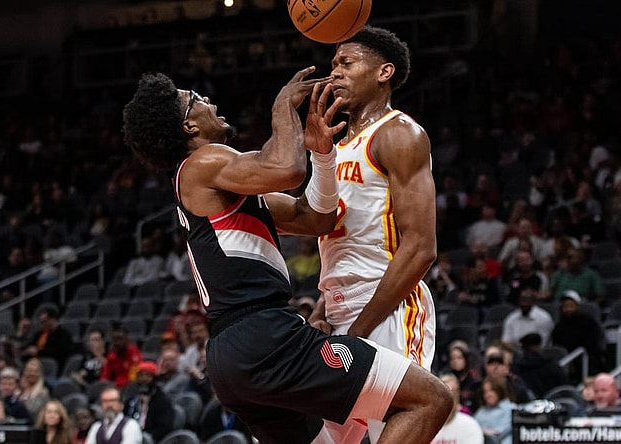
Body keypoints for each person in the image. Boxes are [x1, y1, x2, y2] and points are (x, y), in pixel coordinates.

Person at [121, 61, 451, 442]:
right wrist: (282, 107)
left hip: (234, 357)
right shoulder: (202, 162)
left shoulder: (225, 187)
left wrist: (322, 155)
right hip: (265, 337)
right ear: (189, 127)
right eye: (196, 100)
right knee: (430, 400)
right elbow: (287, 169)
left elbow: (313, 218)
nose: (209, 100)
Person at [304, 26, 441, 442]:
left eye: (347, 63)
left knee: (404, 419)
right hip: (341, 309)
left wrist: (359, 332)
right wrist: (324, 308)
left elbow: (421, 248)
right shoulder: (333, 147)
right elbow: (337, 240)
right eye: (333, 66)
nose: (335, 74)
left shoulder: (400, 134)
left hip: (389, 309)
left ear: (384, 72)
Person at [122, 361, 174, 443]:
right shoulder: (132, 398)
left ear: (154, 378)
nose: (144, 379)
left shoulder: (163, 400)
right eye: (140, 375)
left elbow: (163, 427)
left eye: (148, 375)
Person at [431, 373, 483, 444]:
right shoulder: (426, 427)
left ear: (458, 397)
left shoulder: (469, 425)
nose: (450, 398)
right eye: (444, 393)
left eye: (454, 393)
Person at [22, 305, 73, 371]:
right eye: (41, 322)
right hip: (35, 364)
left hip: (52, 366)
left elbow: (59, 353)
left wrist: (38, 352)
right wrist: (27, 350)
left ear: (52, 319)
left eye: (44, 321)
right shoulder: (39, 334)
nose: (42, 324)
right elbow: (29, 345)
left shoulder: (63, 335)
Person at [474, 376, 516, 444]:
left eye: (491, 390)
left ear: (499, 390)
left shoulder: (511, 409)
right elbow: (472, 430)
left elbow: (498, 432)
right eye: (485, 392)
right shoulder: (480, 412)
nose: (488, 395)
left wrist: (481, 432)